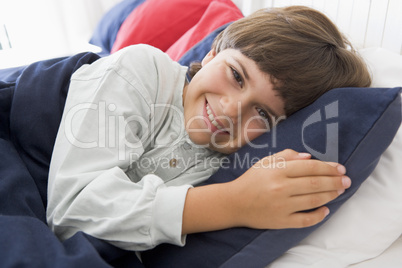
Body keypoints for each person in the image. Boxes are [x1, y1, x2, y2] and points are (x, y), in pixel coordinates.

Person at [47, 6, 371, 251]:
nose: (231, 109)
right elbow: (71, 211)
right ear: (212, 53)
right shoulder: (143, 69)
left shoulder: (228, 163)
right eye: (237, 75)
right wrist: (234, 203)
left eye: (262, 112)